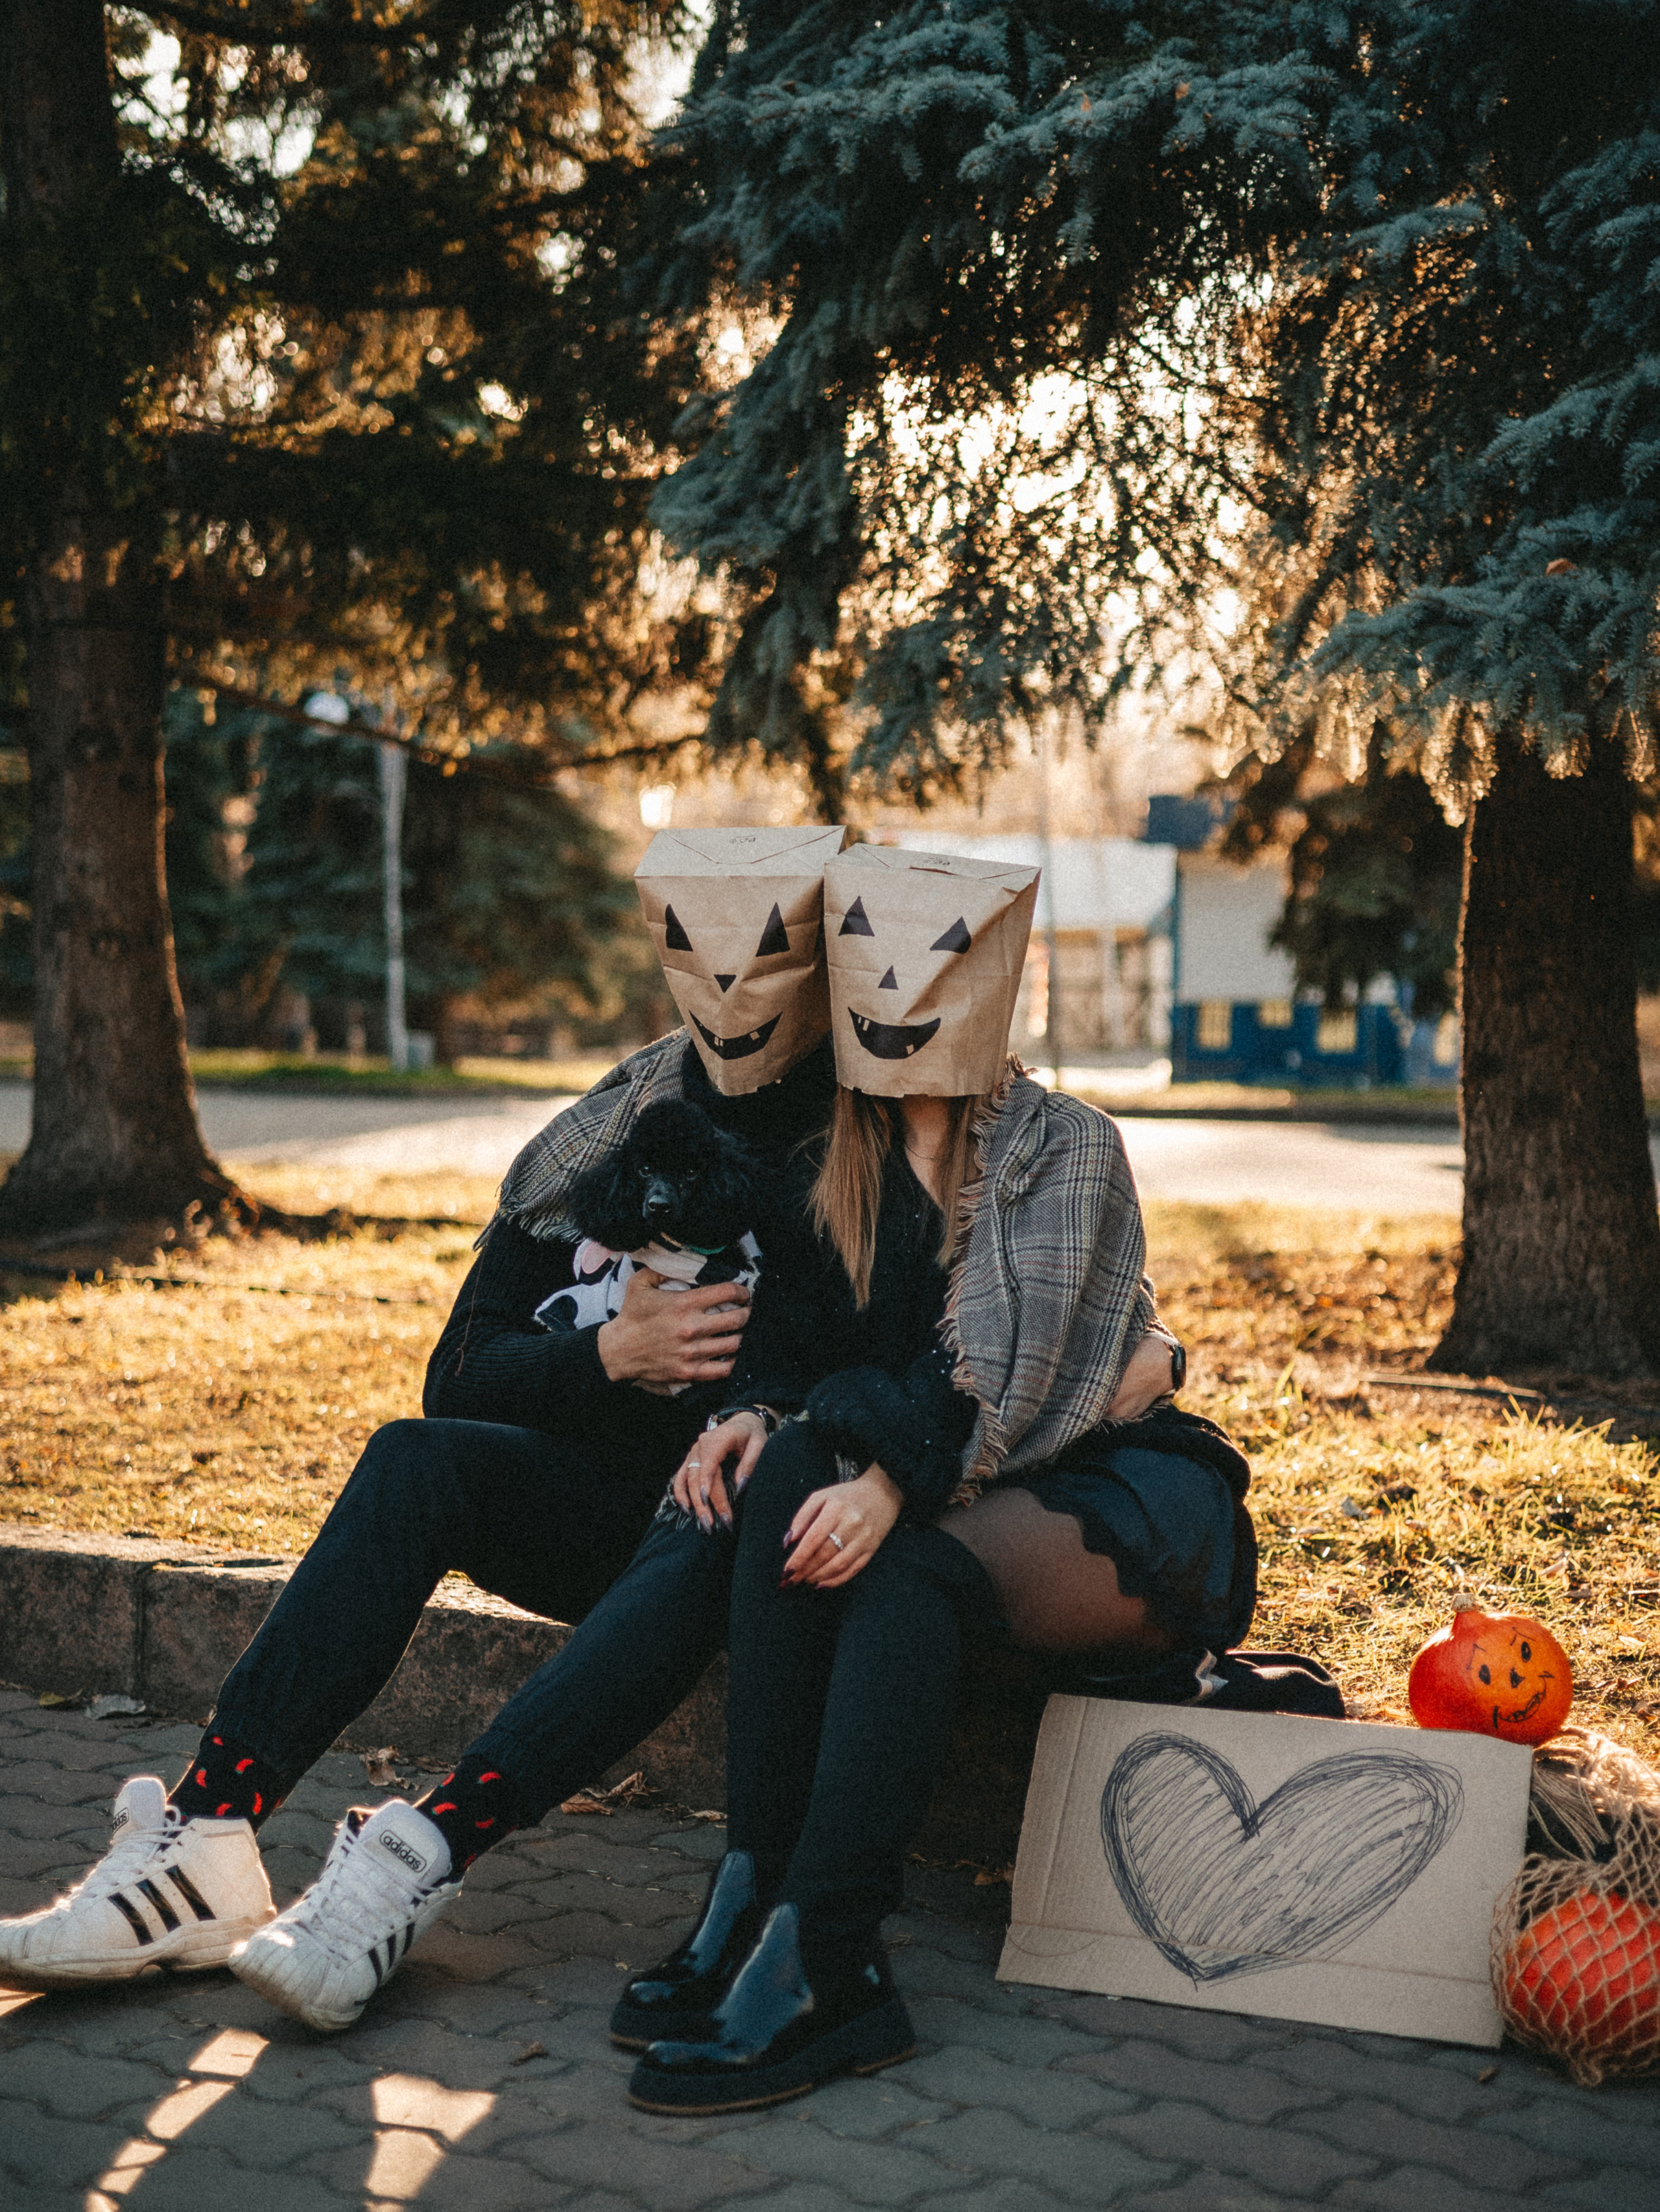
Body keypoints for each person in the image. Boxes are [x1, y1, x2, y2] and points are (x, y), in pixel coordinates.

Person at [0, 830, 842, 2007]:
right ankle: (204, 1840)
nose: (730, 992)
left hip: (725, 1548)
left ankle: (418, 1857)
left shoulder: (851, 1144)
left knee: (718, 1501)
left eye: (763, 958)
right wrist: (612, 1349)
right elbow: (460, 1375)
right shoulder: (608, 1129)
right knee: (413, 1458)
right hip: (585, 1509)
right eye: (694, 954)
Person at [625, 844, 1264, 2113]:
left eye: (932, 960)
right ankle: (755, 1882)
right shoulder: (841, 1149)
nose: (897, 985)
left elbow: (1012, 1380)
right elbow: (800, 1349)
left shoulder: (1062, 1144)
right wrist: (755, 1412)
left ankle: (831, 1955)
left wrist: (882, 1478)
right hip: (944, 1466)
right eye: (870, 953)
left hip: (1106, 1494)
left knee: (897, 1551)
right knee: (789, 1458)